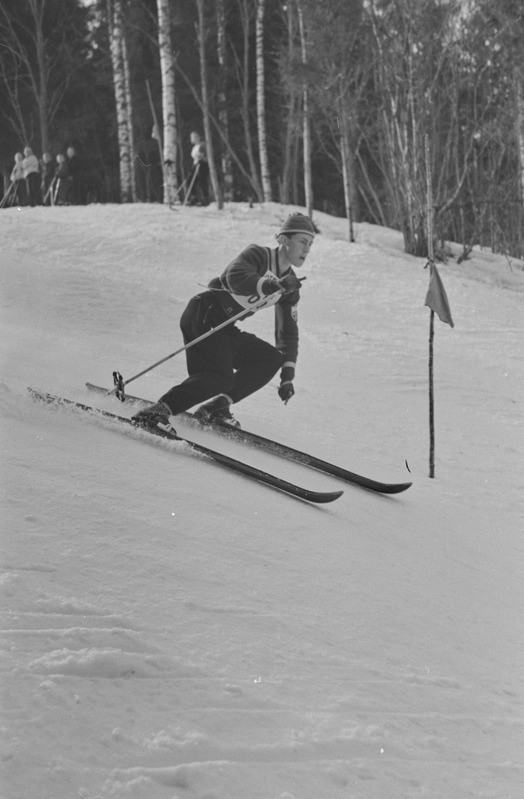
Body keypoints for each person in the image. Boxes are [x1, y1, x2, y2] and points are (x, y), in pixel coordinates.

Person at [132, 212, 316, 431]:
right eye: (302, 241)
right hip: (204, 312)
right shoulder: (259, 254)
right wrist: (271, 285)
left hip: (224, 327)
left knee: (269, 359)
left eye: (310, 244)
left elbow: (288, 332)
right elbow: (236, 277)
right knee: (219, 377)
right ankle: (158, 411)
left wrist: (287, 375)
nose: (306, 249)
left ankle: (217, 407)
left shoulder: (290, 286)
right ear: (283, 239)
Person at [186, 131, 209, 206]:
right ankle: (193, 198)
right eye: (192, 137)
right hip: (195, 164)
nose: (192, 139)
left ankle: (205, 199)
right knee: (190, 180)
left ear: (198, 137)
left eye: (194, 137)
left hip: (202, 164)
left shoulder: (203, 144)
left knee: (202, 181)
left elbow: (203, 154)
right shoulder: (194, 147)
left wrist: (201, 157)